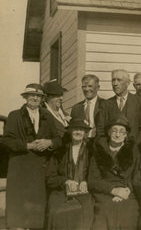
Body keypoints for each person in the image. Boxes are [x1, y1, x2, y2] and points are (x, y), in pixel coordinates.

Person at [1, 83, 61, 228]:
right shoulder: (14, 115)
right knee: (18, 209)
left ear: (42, 99)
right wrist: (27, 145)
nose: (35, 98)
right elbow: (7, 140)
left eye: (38, 96)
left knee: (36, 209)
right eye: (32, 95)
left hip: (39, 168)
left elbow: (58, 139)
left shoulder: (47, 116)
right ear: (25, 97)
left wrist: (49, 142)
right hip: (19, 166)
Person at [88, 115, 139, 229]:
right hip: (105, 193)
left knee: (129, 212)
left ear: (126, 135)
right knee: (106, 211)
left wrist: (126, 190)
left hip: (128, 192)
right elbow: (92, 180)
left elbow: (137, 175)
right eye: (114, 131)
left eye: (122, 132)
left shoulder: (133, 151)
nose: (117, 134)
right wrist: (114, 190)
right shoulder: (99, 151)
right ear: (108, 133)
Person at [46, 118, 94, 230]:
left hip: (84, 190)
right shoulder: (60, 151)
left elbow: (96, 174)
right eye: (75, 129)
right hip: (61, 191)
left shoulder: (91, 151)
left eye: (81, 130)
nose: (78, 132)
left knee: (86, 211)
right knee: (55, 210)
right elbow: (50, 177)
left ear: (85, 132)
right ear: (70, 131)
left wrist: (86, 181)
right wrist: (65, 181)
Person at [102, 69, 141, 146]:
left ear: (128, 83)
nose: (115, 83)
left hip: (134, 150)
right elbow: (101, 130)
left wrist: (135, 148)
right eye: (113, 80)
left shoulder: (140, 102)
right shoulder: (106, 104)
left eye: (119, 80)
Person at [70, 74, 106, 145]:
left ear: (98, 87)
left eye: (90, 86)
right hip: (81, 145)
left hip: (100, 145)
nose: (86, 89)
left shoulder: (105, 105)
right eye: (84, 87)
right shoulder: (76, 108)